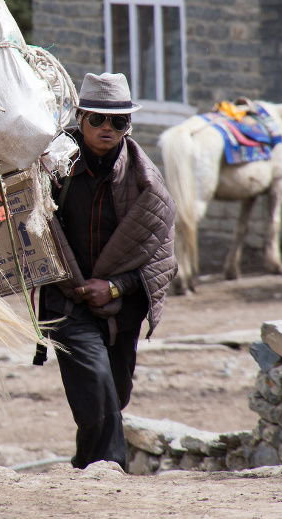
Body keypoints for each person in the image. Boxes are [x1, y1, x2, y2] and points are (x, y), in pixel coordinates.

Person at [37, 72, 177, 470]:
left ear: (128, 126)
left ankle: (85, 466)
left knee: (113, 395)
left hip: (122, 307)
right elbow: (27, 226)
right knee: (97, 386)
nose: (107, 128)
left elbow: (161, 259)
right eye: (97, 118)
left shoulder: (146, 183)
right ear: (79, 117)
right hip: (66, 300)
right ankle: (112, 474)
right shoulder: (51, 167)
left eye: (118, 122)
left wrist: (115, 288)